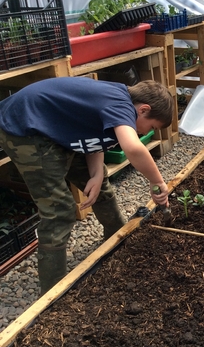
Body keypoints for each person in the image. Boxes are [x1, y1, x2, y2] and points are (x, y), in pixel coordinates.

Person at [0, 77, 174, 295]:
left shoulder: (117, 102)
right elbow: (133, 148)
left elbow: (95, 134)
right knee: (59, 210)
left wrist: (96, 173)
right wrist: (158, 181)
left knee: (100, 186)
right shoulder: (121, 104)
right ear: (143, 110)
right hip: (27, 127)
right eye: (151, 126)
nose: (143, 132)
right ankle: (53, 294)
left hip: (55, 126)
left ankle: (116, 239)